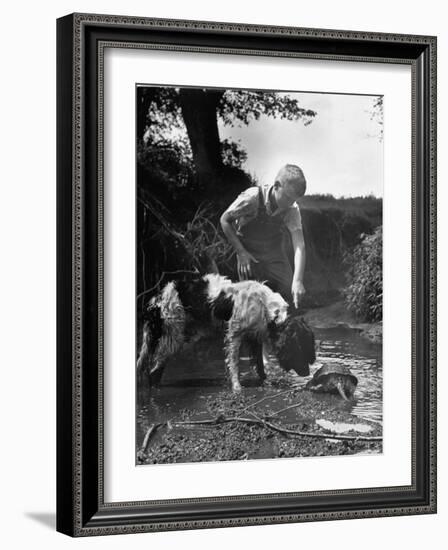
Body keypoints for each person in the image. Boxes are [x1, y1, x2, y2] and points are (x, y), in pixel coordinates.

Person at [220, 164, 307, 310]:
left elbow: (300, 245)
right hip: (248, 251)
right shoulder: (252, 197)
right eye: (286, 198)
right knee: (250, 298)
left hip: (274, 252)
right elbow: (224, 220)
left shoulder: (292, 208)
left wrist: (298, 280)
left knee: (288, 290)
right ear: (277, 185)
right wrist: (241, 252)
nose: (289, 204)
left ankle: (281, 325)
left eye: (293, 200)